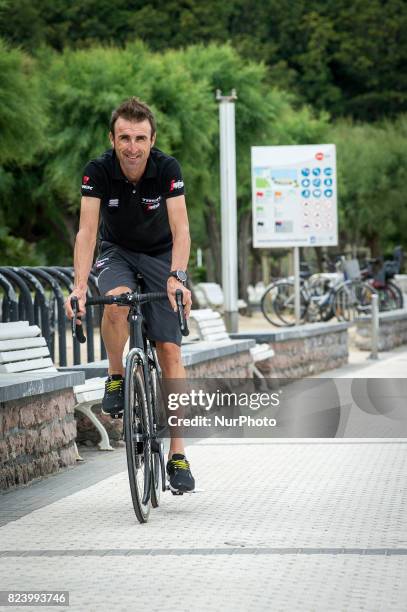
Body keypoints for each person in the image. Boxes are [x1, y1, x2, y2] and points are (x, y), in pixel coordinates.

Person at [65, 97, 195, 493]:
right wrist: (80, 284)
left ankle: (177, 454)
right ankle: (117, 376)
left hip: (160, 255)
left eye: (140, 138)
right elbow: (87, 232)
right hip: (116, 252)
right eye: (125, 138)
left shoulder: (167, 169)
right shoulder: (98, 171)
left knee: (170, 352)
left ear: (152, 139)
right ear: (113, 138)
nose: (132, 147)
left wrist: (177, 277)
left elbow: (183, 230)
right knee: (118, 300)